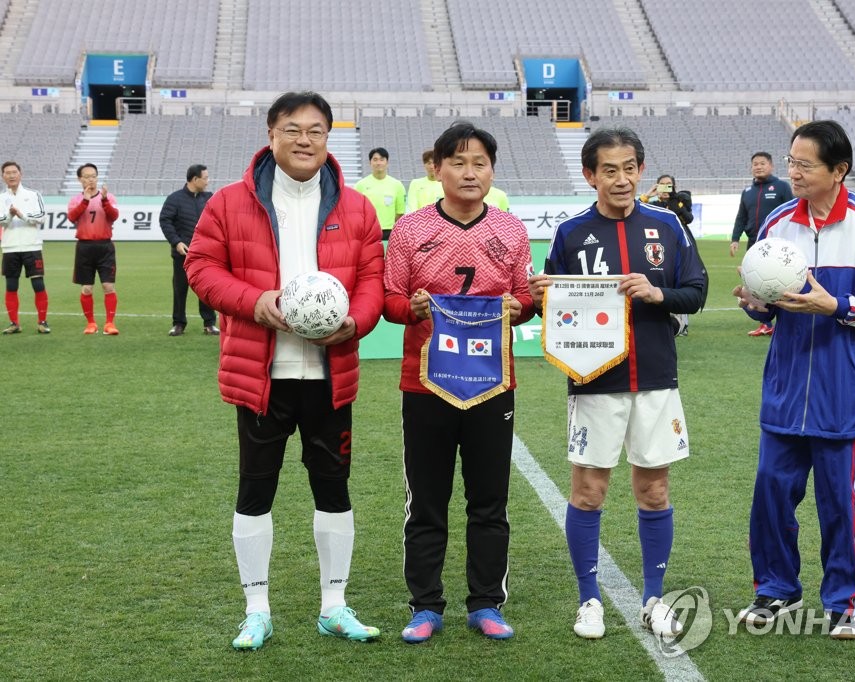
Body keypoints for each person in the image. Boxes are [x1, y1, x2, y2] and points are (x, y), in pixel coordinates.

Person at [184, 91, 385, 651]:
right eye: (293, 129)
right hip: (261, 373)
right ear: (271, 134)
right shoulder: (228, 202)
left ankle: (334, 605)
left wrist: (357, 321)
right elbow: (200, 267)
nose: (305, 140)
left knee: (334, 490)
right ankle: (256, 609)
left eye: (316, 130)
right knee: (256, 490)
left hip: (329, 373)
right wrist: (255, 302)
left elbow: (373, 279)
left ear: (328, 138)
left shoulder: (358, 207)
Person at [732, 120, 855, 640]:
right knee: (770, 493)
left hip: (846, 392)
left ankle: (842, 601)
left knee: (842, 504)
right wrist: (756, 305)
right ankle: (776, 589)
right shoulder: (777, 224)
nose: (794, 172)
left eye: (805, 165)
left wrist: (837, 305)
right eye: (792, 162)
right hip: (786, 388)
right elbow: (768, 308)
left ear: (839, 170)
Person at [527, 126, 708, 640]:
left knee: (654, 489)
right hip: (594, 381)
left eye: (629, 168)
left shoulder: (668, 227)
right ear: (590, 176)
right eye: (610, 170)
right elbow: (551, 305)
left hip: (655, 378)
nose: (622, 179)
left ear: (641, 171)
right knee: (589, 491)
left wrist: (656, 293)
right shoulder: (570, 235)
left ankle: (654, 598)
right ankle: (589, 601)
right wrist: (544, 295)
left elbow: (695, 292)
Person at [383, 121, 534, 644]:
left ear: (493, 169)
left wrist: (520, 308)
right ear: (437, 168)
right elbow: (389, 302)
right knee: (426, 500)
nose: (470, 174)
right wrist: (412, 307)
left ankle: (486, 602)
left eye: (480, 164)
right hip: (425, 384)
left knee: (489, 500)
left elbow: (526, 299)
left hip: (493, 383)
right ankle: (426, 605)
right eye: (458, 163)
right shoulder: (409, 229)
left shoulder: (510, 231)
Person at [730, 152, 794, 337]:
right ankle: (765, 322)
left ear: (771, 166)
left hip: (776, 247)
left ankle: (784, 319)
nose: (758, 166)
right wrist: (735, 238)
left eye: (762, 163)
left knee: (779, 281)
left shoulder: (781, 187)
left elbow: (791, 213)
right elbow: (741, 217)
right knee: (755, 283)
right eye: (755, 164)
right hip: (754, 245)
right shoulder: (748, 192)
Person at [159, 164, 218, 337]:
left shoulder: (210, 198)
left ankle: (209, 323)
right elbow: (165, 221)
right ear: (195, 179)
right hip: (182, 255)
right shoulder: (174, 199)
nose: (208, 182)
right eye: (205, 178)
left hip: (206, 254)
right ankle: (178, 323)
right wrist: (176, 242)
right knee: (180, 288)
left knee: (206, 289)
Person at [641, 173, 697, 335]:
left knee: (679, 281)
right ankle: (661, 318)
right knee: (661, 281)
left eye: (668, 185)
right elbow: (635, 210)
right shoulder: (651, 205)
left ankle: (683, 323)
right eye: (662, 185)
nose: (665, 188)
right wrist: (647, 195)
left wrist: (675, 202)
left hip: (677, 248)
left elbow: (689, 218)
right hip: (657, 248)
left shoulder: (679, 202)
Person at [68, 163, 120, 335]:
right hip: (84, 247)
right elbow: (72, 217)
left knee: (108, 286)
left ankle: (109, 324)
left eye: (94, 176)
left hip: (105, 246)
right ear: (80, 179)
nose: (91, 179)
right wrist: (85, 200)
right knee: (87, 288)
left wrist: (104, 200)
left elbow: (114, 216)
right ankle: (91, 323)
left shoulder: (109, 197)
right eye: (87, 176)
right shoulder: (75, 200)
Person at [0, 161, 49, 335]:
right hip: (10, 247)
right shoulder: (1, 198)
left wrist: (22, 215)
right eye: (7, 172)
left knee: (38, 284)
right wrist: (8, 215)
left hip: (31, 245)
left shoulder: (33, 194)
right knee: (11, 286)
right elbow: (1, 220)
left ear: (21, 174)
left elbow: (42, 216)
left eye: (14, 172)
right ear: (2, 176)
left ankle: (42, 322)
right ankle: (14, 323)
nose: (11, 175)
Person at [354, 147, 405, 240]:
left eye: (382, 160)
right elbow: (356, 211)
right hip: (368, 231)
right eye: (375, 159)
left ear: (387, 162)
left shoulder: (397, 185)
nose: (378, 163)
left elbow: (400, 212)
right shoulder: (360, 185)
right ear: (370, 162)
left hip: (390, 232)